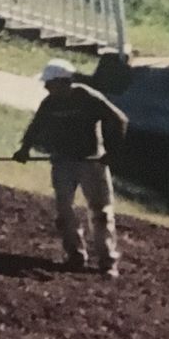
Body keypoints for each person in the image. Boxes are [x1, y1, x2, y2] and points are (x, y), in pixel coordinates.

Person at [14, 59, 129, 277]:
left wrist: (112, 153)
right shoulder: (50, 103)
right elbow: (36, 125)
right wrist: (24, 149)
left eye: (49, 83)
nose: (46, 88)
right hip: (63, 161)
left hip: (91, 162)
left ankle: (107, 261)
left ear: (62, 82)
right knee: (64, 210)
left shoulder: (87, 97)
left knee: (101, 211)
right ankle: (75, 255)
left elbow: (119, 120)